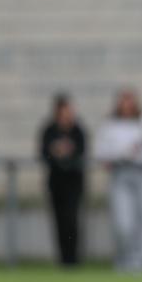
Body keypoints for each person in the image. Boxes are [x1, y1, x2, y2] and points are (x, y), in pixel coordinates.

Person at [94, 88, 142, 274]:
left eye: (130, 101)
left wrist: (141, 150)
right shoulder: (110, 124)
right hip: (120, 173)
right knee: (122, 222)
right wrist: (118, 154)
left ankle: (139, 262)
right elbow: (101, 151)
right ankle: (123, 259)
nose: (126, 105)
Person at [39, 93, 87, 267]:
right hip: (56, 182)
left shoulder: (77, 130)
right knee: (59, 221)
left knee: (72, 221)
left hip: (74, 183)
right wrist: (55, 151)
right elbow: (43, 153)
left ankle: (73, 259)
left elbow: (81, 151)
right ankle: (63, 260)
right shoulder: (49, 130)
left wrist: (67, 151)